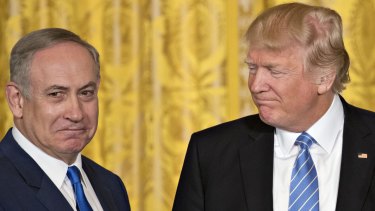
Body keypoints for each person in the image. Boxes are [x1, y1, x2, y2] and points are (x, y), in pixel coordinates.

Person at [173, 2, 375, 211]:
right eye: (252, 68)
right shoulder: (210, 153)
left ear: (324, 77)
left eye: (274, 71)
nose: (255, 85)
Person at [0, 28, 131, 211]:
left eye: (86, 93)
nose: (76, 114)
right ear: (17, 100)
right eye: (56, 94)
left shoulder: (111, 186)